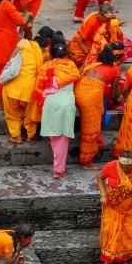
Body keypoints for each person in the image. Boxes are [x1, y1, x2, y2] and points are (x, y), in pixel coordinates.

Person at [97, 150, 132, 264]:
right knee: (111, 233)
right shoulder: (111, 166)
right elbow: (100, 179)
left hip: (130, 207)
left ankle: (123, 261)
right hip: (112, 206)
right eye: (122, 166)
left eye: (128, 167)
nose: (124, 169)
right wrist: (103, 195)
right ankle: (107, 262)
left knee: (126, 235)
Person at [36, 41, 81, 178]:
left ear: (51, 54)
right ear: (66, 54)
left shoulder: (47, 66)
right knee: (62, 138)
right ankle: (59, 170)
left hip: (51, 101)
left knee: (55, 136)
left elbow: (40, 84)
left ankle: (58, 166)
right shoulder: (72, 66)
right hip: (66, 103)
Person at [75, 46, 122, 170]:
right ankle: (87, 162)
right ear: (115, 58)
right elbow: (113, 96)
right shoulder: (115, 69)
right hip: (91, 97)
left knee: (94, 121)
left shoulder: (93, 59)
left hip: (78, 90)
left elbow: (80, 71)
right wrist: (119, 101)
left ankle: (96, 144)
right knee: (91, 128)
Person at [0, 0, 33, 107]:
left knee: (1, 72)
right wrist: (28, 14)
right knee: (7, 71)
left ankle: (0, 103)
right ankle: (2, 102)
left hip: (3, 39)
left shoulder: (2, 3)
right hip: (7, 42)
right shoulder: (7, 5)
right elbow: (22, 22)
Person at [2, 33, 44, 144]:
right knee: (30, 113)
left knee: (12, 113)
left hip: (13, 87)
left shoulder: (23, 43)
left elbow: (11, 58)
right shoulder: (41, 52)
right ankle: (30, 136)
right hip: (30, 89)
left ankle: (17, 137)